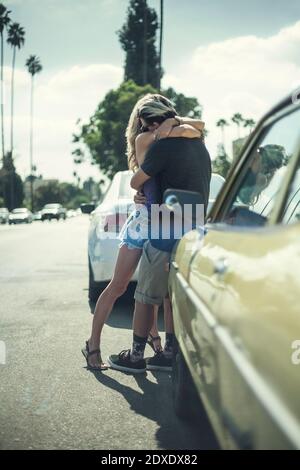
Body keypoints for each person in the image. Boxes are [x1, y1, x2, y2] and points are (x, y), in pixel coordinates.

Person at [82, 94, 205, 370]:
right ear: (141, 121)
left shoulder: (170, 134)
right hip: (145, 221)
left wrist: (171, 121)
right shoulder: (145, 140)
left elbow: (198, 125)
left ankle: (157, 347)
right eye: (149, 121)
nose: (153, 126)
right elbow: (191, 128)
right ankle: (93, 346)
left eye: (157, 119)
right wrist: (171, 124)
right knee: (119, 286)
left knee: (160, 293)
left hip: (165, 219)